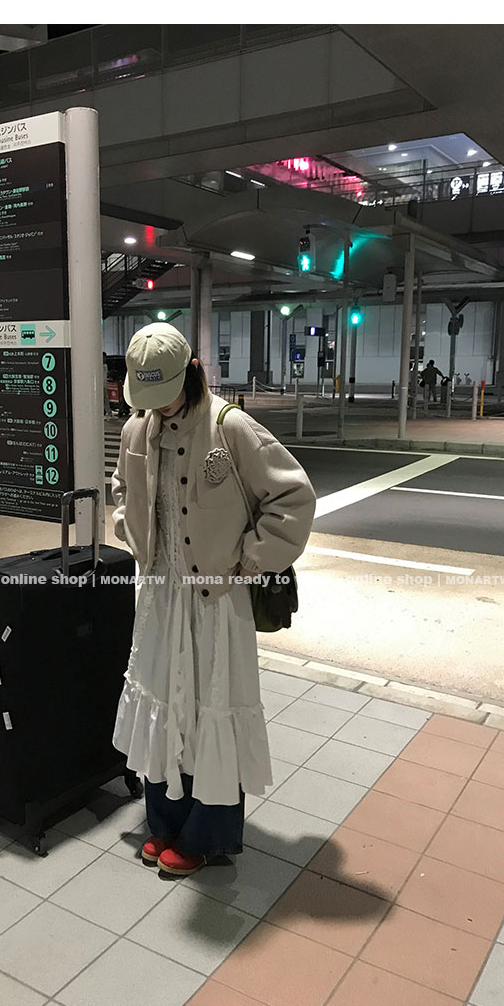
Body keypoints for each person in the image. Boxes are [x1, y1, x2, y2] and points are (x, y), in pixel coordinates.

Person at [111, 324, 316, 877]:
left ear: (192, 373)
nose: (158, 407)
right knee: (163, 702)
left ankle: (207, 836)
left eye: (166, 392)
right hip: (160, 596)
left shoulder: (230, 426)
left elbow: (294, 496)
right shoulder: (136, 429)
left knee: (211, 708)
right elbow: (122, 488)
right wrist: (130, 528)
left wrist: (253, 557)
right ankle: (164, 822)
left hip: (216, 601)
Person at [103, 352, 111, 417]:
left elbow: (106, 375)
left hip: (104, 385)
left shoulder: (105, 366)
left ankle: (108, 412)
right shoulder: (98, 366)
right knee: (103, 399)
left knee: (106, 398)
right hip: (100, 385)